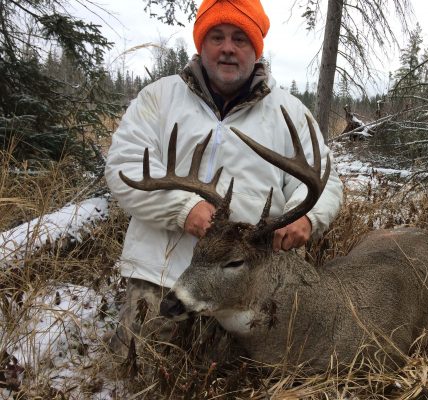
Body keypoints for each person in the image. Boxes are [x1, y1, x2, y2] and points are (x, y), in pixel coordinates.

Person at [104, 0, 343, 362]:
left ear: (256, 49)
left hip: (255, 284)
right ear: (201, 44)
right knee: (134, 369)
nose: (228, 48)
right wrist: (183, 208)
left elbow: (326, 182)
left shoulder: (290, 111)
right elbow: (124, 168)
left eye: (240, 38)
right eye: (217, 36)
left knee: (256, 378)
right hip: (162, 274)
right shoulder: (159, 97)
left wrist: (305, 218)